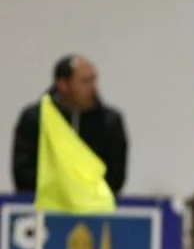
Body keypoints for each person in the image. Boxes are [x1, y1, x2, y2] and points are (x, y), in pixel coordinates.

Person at [12, 54, 128, 195]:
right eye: (85, 81)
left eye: (94, 80)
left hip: (95, 208)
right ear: (63, 84)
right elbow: (23, 171)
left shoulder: (109, 122)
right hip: (44, 206)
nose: (93, 88)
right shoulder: (35, 119)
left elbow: (115, 175)